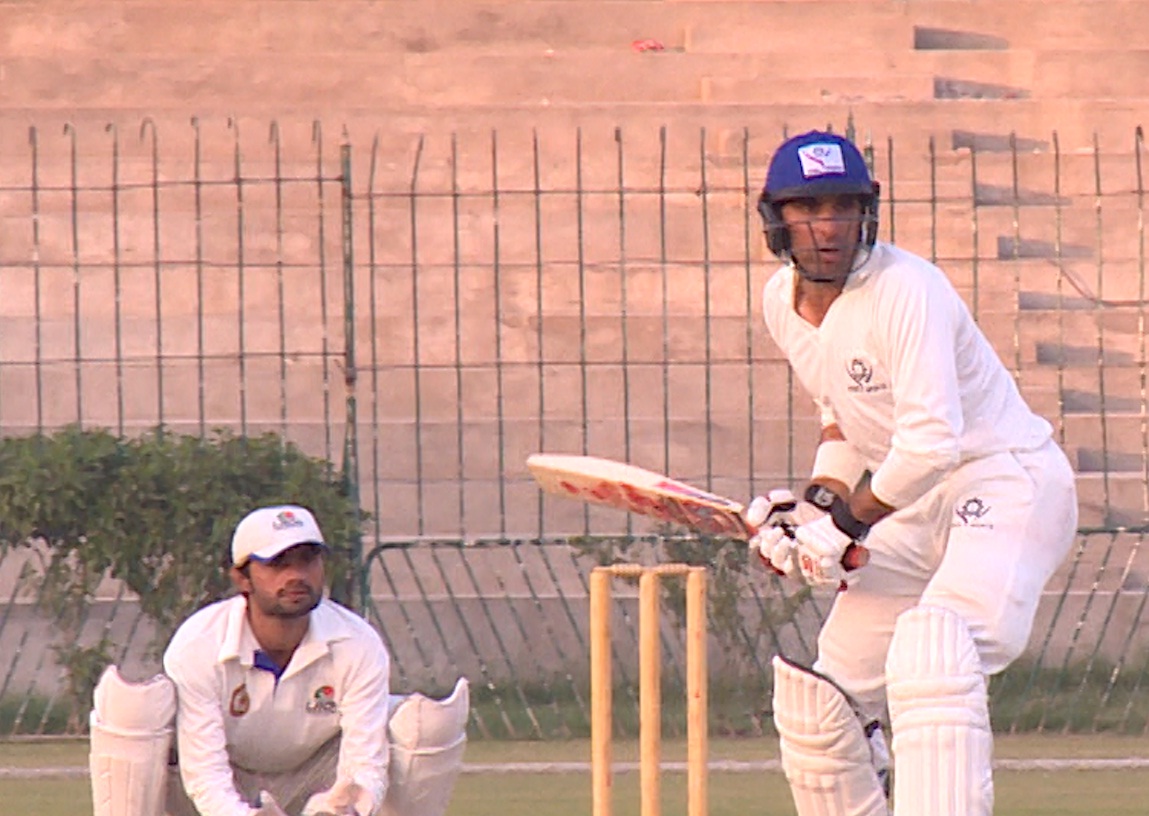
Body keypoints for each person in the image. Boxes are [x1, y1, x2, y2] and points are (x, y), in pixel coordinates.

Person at [744, 130, 1078, 816]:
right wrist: (813, 510)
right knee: (822, 702)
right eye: (808, 209)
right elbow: (842, 422)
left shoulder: (906, 288)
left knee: (933, 653)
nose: (828, 227)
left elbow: (929, 445)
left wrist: (844, 525)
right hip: (912, 503)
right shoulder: (780, 302)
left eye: (843, 207)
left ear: (866, 211)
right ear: (776, 218)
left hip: (1000, 480)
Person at [88, 504, 469, 816]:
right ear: (242, 578)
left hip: (313, 777)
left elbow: (364, 762)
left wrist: (343, 809)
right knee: (132, 708)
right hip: (220, 784)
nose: (296, 575)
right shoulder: (200, 643)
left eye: (308, 560)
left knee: (428, 722)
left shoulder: (357, 642)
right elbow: (205, 773)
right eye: (278, 564)